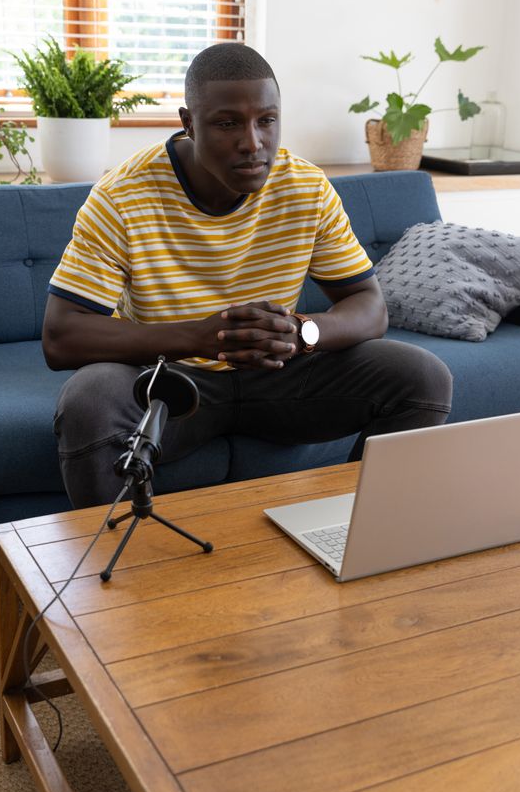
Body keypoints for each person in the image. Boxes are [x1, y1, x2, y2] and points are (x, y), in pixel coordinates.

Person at [43, 43, 452, 508]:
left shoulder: (305, 188)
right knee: (90, 400)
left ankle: (354, 525)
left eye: (267, 120)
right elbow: (61, 338)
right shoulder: (122, 196)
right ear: (188, 123)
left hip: (281, 378)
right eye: (227, 123)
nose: (252, 142)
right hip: (172, 383)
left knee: (421, 377)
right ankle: (117, 569)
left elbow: (369, 306)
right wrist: (199, 338)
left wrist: (304, 333)